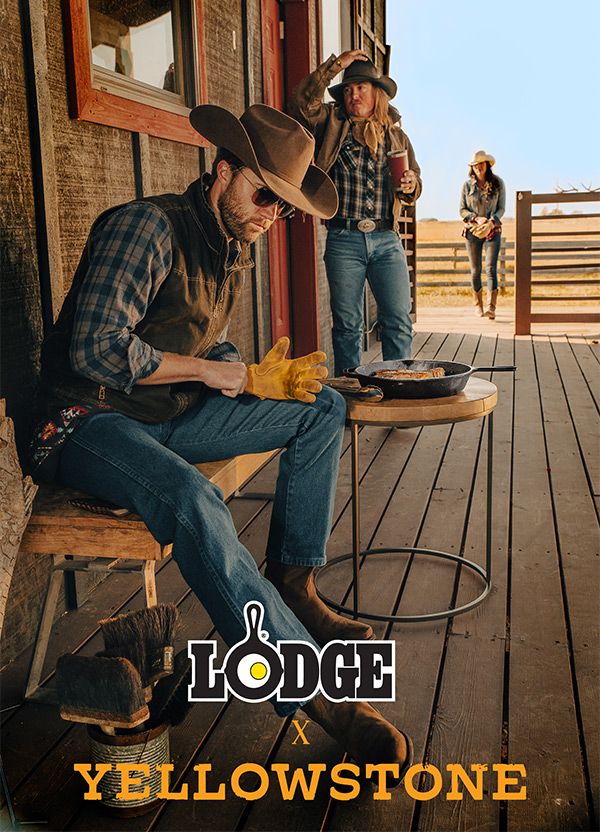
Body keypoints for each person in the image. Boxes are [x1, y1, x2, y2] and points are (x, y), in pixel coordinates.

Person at [29, 103, 412, 779]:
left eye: (284, 208)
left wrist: (252, 374)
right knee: (195, 497)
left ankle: (293, 584)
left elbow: (192, 335)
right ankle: (317, 695)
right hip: (84, 422)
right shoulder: (147, 227)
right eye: (265, 195)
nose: (271, 216)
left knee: (319, 406)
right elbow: (94, 349)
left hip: (162, 413)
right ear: (222, 171)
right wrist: (211, 370)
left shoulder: (229, 243)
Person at [290, 50, 422, 377]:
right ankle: (353, 395)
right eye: (348, 89)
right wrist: (337, 65)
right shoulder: (331, 123)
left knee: (398, 319)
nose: (353, 95)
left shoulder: (396, 135)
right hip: (343, 238)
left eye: (361, 88)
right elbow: (302, 101)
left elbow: (415, 184)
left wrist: (410, 184)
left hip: (386, 238)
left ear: (376, 93)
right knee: (347, 325)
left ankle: (399, 387)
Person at [459, 150, 506, 319]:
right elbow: (462, 209)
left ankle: (491, 307)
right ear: (473, 168)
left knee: (491, 269)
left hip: (492, 230)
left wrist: (491, 222)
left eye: (481, 164)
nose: (478, 167)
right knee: (475, 270)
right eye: (475, 165)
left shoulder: (498, 183)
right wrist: (476, 219)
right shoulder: (467, 186)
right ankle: (477, 305)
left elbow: (501, 208)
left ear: (487, 165)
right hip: (473, 230)